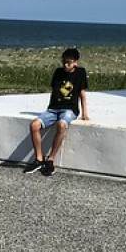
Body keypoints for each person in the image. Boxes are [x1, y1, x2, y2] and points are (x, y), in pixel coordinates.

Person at [24, 48, 89, 176]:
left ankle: (51, 159)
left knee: (61, 125)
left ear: (76, 62)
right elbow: (55, 91)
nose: (66, 65)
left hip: (69, 109)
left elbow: (82, 94)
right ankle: (39, 159)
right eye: (64, 62)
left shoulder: (80, 73)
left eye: (69, 63)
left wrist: (84, 113)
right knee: (34, 125)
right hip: (53, 109)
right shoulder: (58, 72)